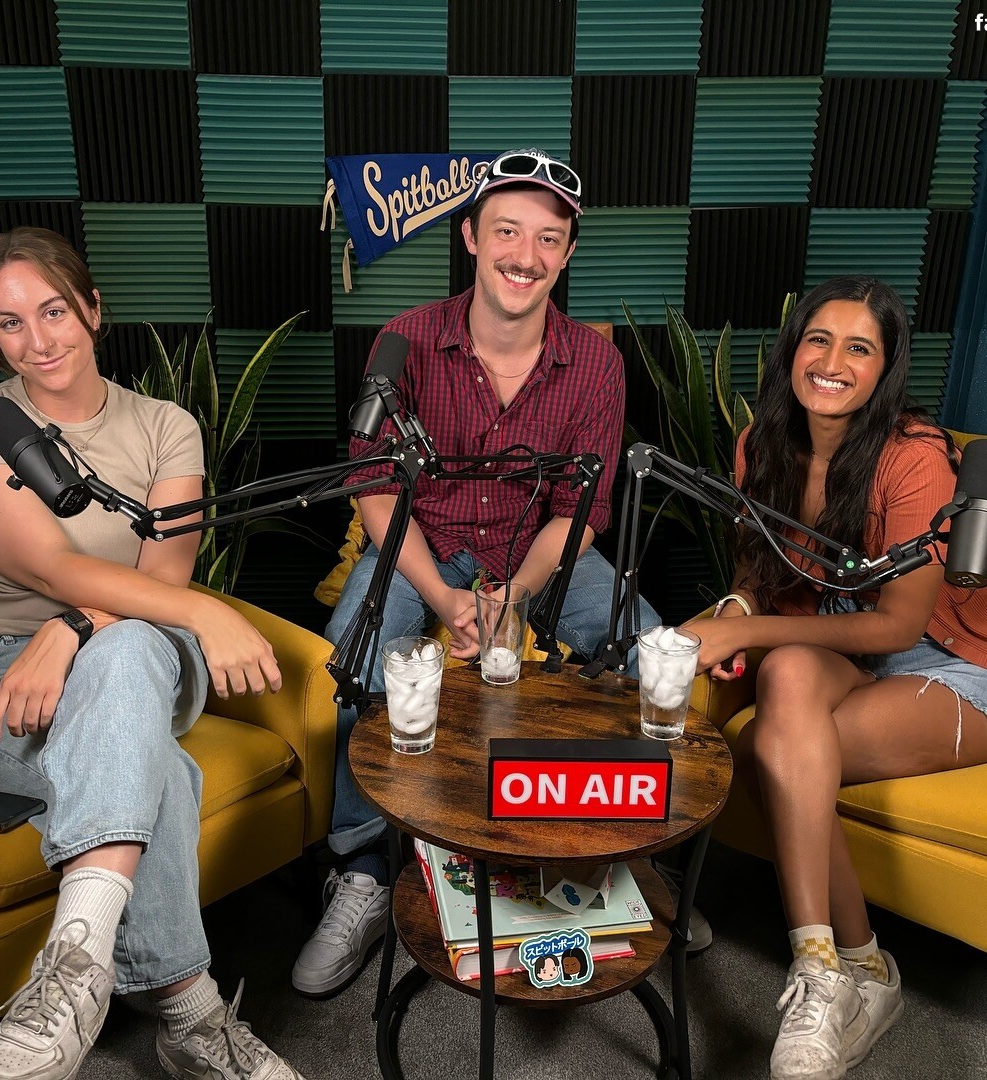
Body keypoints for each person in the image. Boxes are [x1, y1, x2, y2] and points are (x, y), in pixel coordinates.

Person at [292, 148, 672, 997]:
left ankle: (631, 858)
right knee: (356, 657)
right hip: (420, 545)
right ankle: (361, 870)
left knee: (649, 651)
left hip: (539, 550)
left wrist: (518, 599)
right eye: (507, 231)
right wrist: (441, 594)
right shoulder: (405, 340)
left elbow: (581, 510)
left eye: (548, 238)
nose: (525, 255)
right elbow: (374, 487)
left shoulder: (597, 363)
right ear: (469, 236)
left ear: (566, 254)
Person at [0, 227, 302, 1080]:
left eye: (54, 311)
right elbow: (47, 565)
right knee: (153, 770)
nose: (37, 339)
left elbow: (160, 577)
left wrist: (71, 630)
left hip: (143, 656)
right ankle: (189, 1016)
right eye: (10, 323)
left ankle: (68, 978)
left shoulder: (167, 425)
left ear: (93, 310)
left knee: (128, 644)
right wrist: (201, 610)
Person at [680, 276, 987, 1079]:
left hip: (950, 664)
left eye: (859, 348)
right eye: (819, 339)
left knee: (776, 749)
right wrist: (735, 606)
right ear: (792, 350)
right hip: (845, 656)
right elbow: (758, 568)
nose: (833, 362)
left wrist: (745, 630)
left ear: (885, 368)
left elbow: (899, 626)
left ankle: (844, 972)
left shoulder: (916, 459)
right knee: (788, 680)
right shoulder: (760, 444)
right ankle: (845, 966)